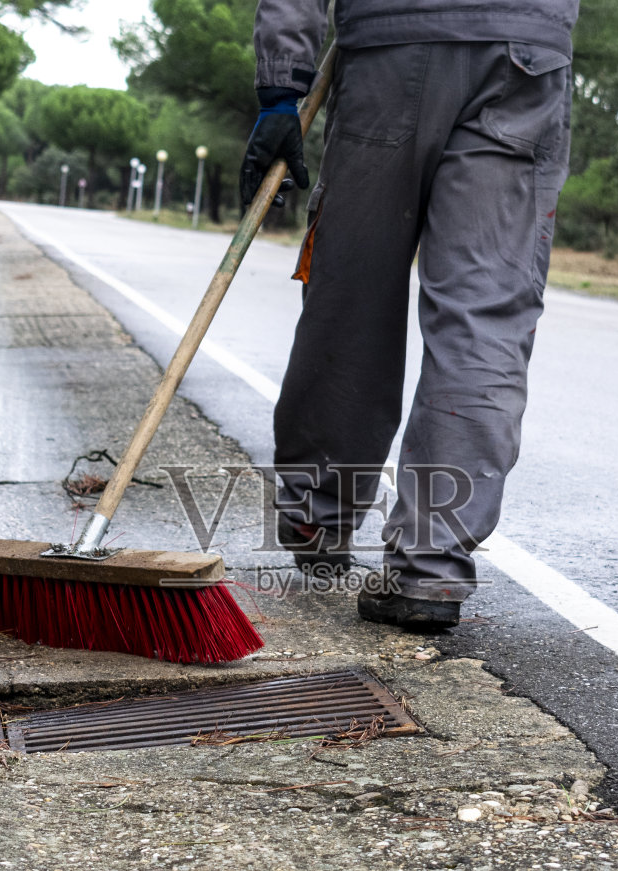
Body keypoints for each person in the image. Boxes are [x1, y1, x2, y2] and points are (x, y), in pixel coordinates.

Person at [242, 0, 578, 631]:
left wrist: (281, 89)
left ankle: (321, 515)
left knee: (352, 297)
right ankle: (431, 568)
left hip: (393, 46)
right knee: (485, 318)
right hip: (524, 58)